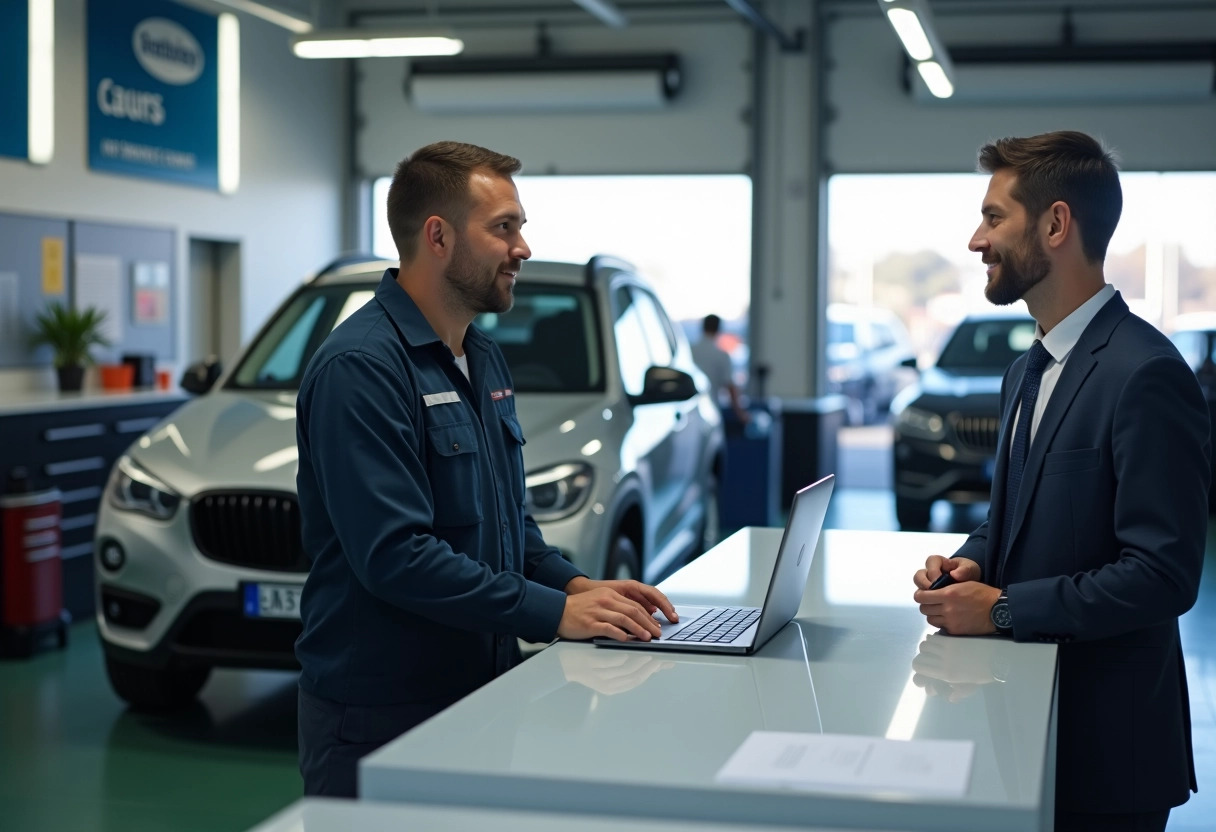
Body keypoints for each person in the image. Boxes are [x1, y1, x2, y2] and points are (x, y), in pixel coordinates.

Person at [294, 141, 678, 798]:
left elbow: (511, 528)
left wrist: (580, 585)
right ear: (438, 237)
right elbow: (396, 556)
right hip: (381, 717)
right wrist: (553, 613)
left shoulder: (483, 359)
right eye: (504, 228)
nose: (522, 247)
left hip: (480, 694)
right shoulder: (361, 369)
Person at [911, 130, 1210, 832]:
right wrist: (972, 561)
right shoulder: (1027, 369)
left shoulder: (1146, 373)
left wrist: (1002, 609)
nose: (975, 241)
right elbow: (1011, 516)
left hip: (1107, 756)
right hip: (1023, 730)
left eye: (993, 217)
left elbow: (1163, 575)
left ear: (1054, 224)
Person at [691, 314, 749, 424]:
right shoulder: (721, 355)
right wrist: (740, 414)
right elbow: (730, 387)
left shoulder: (690, 351)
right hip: (711, 413)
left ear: (702, 327)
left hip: (691, 414)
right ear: (719, 330)